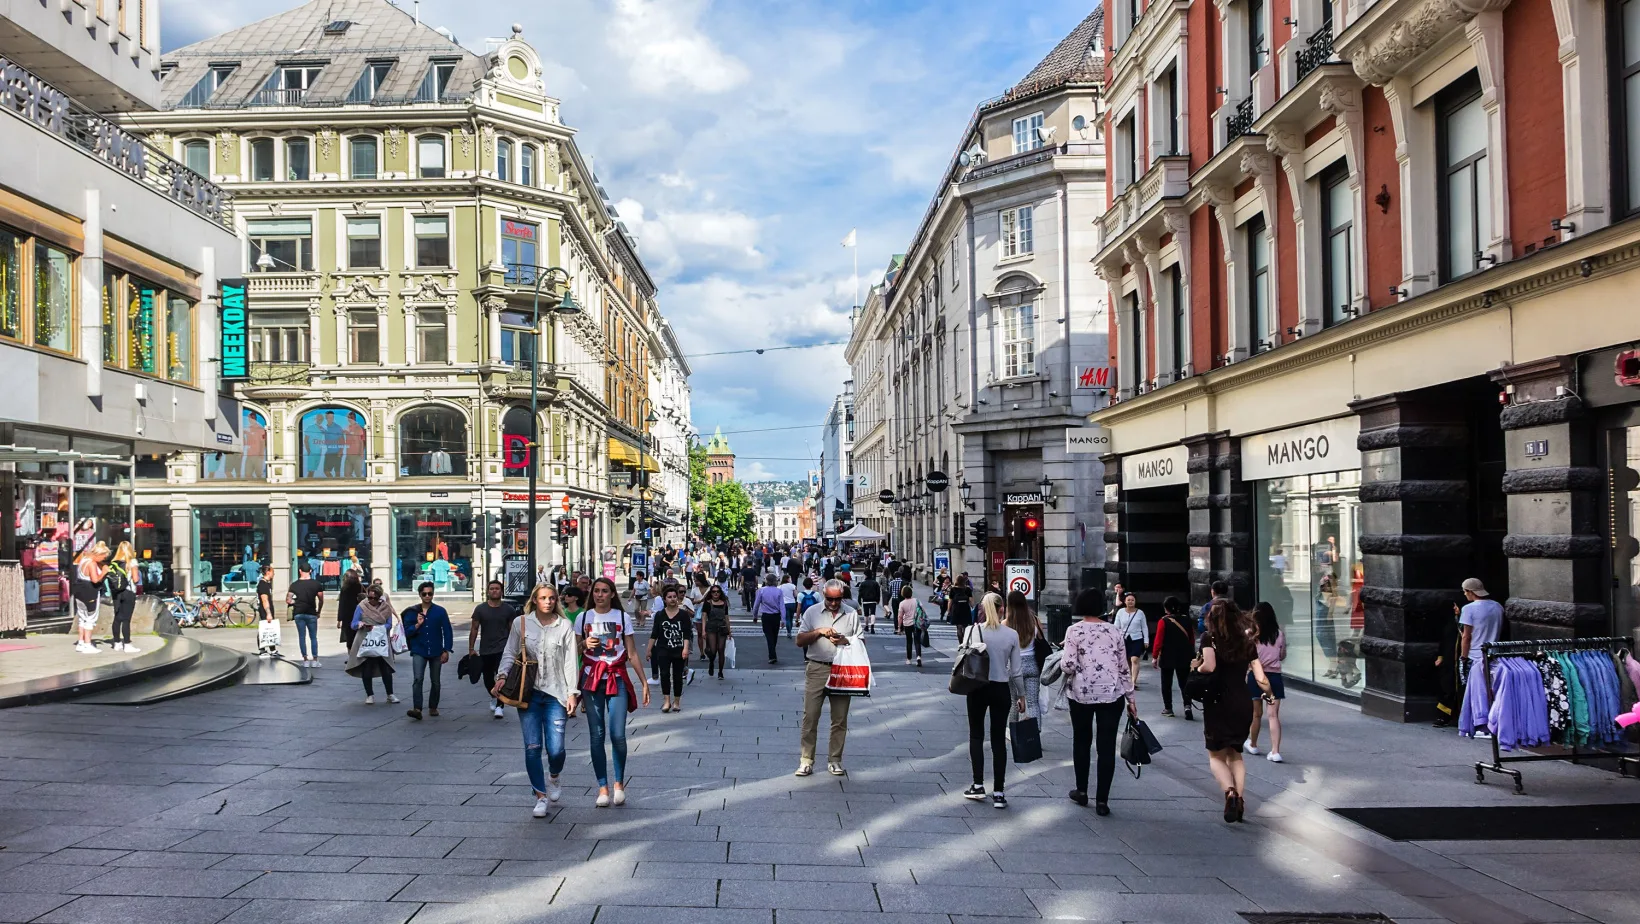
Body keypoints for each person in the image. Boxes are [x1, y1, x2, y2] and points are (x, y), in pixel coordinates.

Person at [494, 583, 581, 817]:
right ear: (535, 600)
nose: (548, 602)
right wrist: (502, 675)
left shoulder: (564, 625)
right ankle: (540, 796)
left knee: (556, 749)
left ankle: (554, 775)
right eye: (543, 598)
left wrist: (572, 692)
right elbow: (510, 652)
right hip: (528, 693)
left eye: (552, 598)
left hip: (556, 693)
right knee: (532, 747)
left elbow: (570, 661)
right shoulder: (520, 623)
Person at [1194, 598, 1275, 823]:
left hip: (1218, 701)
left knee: (1216, 754)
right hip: (1242, 701)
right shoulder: (1246, 640)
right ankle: (1239, 799)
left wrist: (1196, 668)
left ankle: (1229, 792)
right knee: (1235, 753)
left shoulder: (1209, 638)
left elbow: (1208, 666)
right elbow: (1260, 677)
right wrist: (1269, 695)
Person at [1060, 588, 1138, 814]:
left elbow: (1068, 665)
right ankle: (1102, 800)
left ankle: (1081, 790)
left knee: (1081, 741)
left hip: (1081, 694)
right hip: (1111, 695)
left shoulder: (1073, 631)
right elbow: (1124, 668)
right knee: (1105, 747)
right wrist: (1131, 699)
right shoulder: (1114, 631)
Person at [575, 577, 649, 807]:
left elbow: (632, 652)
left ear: (612, 594)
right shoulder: (583, 617)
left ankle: (619, 782)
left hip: (616, 676)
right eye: (596, 591)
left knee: (617, 734)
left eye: (604, 591)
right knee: (596, 735)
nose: (599, 595)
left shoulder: (622, 617)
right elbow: (573, 651)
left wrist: (644, 682)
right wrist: (584, 645)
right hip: (591, 678)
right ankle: (602, 787)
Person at [961, 592, 1025, 809]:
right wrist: (1022, 695)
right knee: (998, 739)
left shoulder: (972, 631)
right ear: (1001, 609)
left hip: (977, 687)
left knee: (976, 735)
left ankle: (978, 785)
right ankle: (999, 792)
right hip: (1000, 688)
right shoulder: (1011, 635)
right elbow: (1016, 671)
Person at [794, 579, 861, 777]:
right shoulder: (812, 612)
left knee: (839, 719)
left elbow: (861, 640)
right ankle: (806, 760)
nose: (833, 603)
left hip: (842, 670)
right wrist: (818, 632)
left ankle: (835, 759)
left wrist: (844, 640)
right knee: (810, 716)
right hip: (817, 668)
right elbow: (799, 640)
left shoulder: (850, 613)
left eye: (837, 599)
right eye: (830, 599)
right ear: (823, 594)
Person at [402, 582, 453, 720]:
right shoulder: (412, 612)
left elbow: (447, 630)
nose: (427, 596)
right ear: (419, 595)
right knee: (418, 678)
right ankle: (417, 708)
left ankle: (433, 706)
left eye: (430, 593)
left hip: (436, 650)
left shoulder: (440, 611)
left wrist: (446, 649)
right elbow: (406, 632)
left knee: (435, 681)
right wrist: (417, 625)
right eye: (424, 594)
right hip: (419, 649)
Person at [1244, 602, 1286, 763]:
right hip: (1274, 677)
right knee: (1273, 715)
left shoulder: (1250, 634)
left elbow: (1245, 656)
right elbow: (1282, 655)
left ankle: (1253, 744)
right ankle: (1275, 751)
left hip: (1256, 677)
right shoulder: (1278, 634)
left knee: (1256, 714)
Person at [469, 580, 518, 719]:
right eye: (492, 589)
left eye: (497, 589)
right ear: (488, 591)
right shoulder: (480, 609)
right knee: (487, 678)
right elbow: (474, 628)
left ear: (501, 591)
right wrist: (471, 648)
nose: (494, 591)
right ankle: (493, 695)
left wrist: (514, 649)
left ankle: (499, 705)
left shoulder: (508, 609)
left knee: (500, 676)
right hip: (485, 648)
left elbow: (513, 630)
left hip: (503, 648)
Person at [344, 582, 400, 704]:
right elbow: (353, 624)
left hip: (380, 640)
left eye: (375, 598)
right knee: (366, 667)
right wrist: (361, 624)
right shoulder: (361, 606)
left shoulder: (386, 608)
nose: (372, 600)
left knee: (386, 667)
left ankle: (390, 694)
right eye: (369, 597)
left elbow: (389, 624)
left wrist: (379, 628)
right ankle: (369, 695)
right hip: (365, 639)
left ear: (380, 597)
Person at [648, 584, 693, 713]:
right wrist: (649, 649)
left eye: (674, 596)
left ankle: (677, 701)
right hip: (663, 649)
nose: (673, 599)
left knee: (677, 676)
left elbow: (686, 633)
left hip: (678, 650)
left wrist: (685, 649)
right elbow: (654, 634)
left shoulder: (683, 615)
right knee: (664, 674)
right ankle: (667, 700)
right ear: (664, 599)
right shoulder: (660, 615)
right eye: (669, 597)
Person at [1006, 590, 1048, 723]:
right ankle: (1035, 732)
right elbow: (1041, 640)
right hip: (1032, 665)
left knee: (1014, 702)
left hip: (1014, 667)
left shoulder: (1006, 623)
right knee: (1032, 702)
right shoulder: (1034, 620)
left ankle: (1013, 732)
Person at [1152, 596, 1196, 720]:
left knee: (1166, 683)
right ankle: (1187, 706)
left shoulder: (1163, 621)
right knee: (1184, 682)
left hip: (1167, 656)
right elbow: (1191, 639)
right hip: (1184, 655)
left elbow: (1158, 641)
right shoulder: (1186, 619)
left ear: (1166, 608)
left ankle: (1168, 708)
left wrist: (1155, 656)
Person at [71, 542, 109, 654]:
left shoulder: (83, 560)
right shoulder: (91, 563)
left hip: (79, 590)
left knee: (82, 617)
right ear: (98, 554)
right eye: (103, 556)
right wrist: (104, 572)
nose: (104, 558)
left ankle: (81, 642)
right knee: (90, 618)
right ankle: (88, 644)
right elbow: (95, 579)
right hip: (90, 591)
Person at [286, 562, 325, 668]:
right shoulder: (316, 584)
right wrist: (319, 611)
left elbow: (288, 600)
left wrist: (296, 602)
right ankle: (315, 659)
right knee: (313, 637)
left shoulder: (294, 584)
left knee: (302, 637)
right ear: (311, 571)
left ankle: (305, 659)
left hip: (299, 613)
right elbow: (321, 599)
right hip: (311, 613)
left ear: (300, 571)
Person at [106, 542, 139, 653]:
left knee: (117, 617)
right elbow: (135, 579)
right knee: (126, 619)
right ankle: (127, 644)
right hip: (128, 592)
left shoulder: (114, 562)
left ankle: (116, 643)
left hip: (116, 592)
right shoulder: (132, 562)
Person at [1112, 593, 1150, 688]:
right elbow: (1116, 626)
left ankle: (1133, 682)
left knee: (1135, 659)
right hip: (1124, 638)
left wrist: (1146, 640)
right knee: (1127, 660)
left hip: (1137, 638)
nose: (1130, 602)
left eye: (1132, 600)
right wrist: (1115, 638)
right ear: (1125, 601)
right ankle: (1129, 678)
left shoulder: (1140, 613)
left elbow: (1144, 627)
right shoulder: (1120, 612)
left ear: (1135, 601)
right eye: (1128, 600)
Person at [752, 574, 786, 664]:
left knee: (769, 636)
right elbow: (782, 606)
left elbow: (756, 605)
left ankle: (772, 654)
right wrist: (783, 619)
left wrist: (755, 616)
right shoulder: (779, 591)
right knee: (775, 635)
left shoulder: (761, 591)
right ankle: (772, 653)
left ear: (766, 581)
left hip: (766, 616)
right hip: (776, 616)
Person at [701, 584, 732, 677]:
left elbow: (726, 617)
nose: (716, 593)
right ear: (711, 593)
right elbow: (704, 616)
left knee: (721, 649)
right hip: (711, 627)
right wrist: (703, 630)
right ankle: (711, 662)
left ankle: (720, 672)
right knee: (713, 650)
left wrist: (729, 630)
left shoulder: (724, 603)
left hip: (722, 627)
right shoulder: (707, 603)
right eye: (714, 592)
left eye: (718, 592)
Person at [896, 584, 924, 667]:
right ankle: (918, 657)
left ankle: (909, 659)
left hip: (907, 624)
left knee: (909, 641)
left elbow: (900, 616)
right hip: (917, 623)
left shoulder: (902, 603)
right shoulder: (917, 601)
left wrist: (899, 627)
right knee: (917, 640)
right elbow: (922, 610)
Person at [778, 573, 799, 639]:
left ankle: (788, 632)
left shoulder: (780, 587)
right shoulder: (792, 586)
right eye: (790, 578)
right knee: (791, 617)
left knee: (787, 618)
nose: (791, 579)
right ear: (787, 579)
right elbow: (796, 595)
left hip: (784, 603)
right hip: (792, 603)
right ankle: (790, 630)